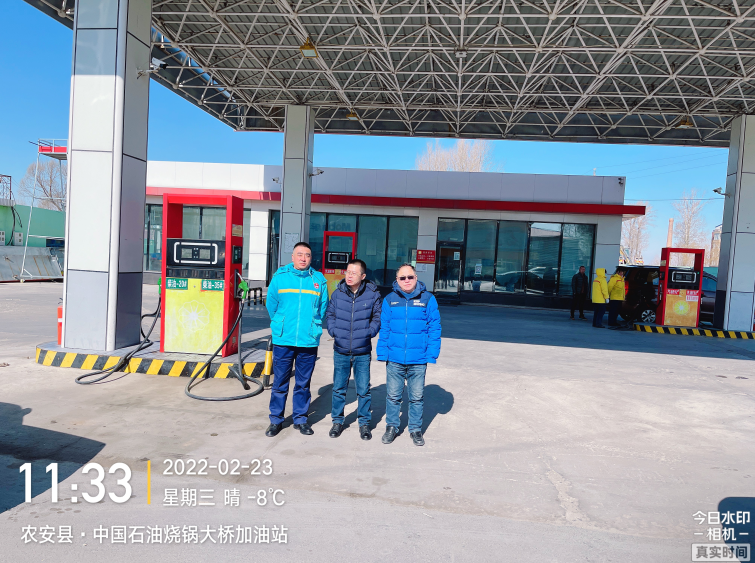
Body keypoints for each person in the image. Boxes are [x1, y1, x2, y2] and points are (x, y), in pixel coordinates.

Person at [264, 242, 328, 437]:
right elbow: (271, 305)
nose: (303, 258)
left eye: (307, 255)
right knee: (280, 382)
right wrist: (280, 323)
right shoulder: (280, 278)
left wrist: (313, 325)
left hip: (308, 340)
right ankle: (276, 420)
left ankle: (300, 419)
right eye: (299, 254)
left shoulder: (319, 280)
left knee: (303, 383)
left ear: (311, 258)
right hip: (284, 339)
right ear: (292, 257)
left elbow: (322, 308)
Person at [376, 264, 441, 447]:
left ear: (416, 278)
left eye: (410, 277)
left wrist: (432, 353)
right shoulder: (389, 300)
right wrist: (382, 353)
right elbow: (385, 328)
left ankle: (415, 429)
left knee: (416, 397)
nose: (406, 281)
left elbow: (434, 327)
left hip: (418, 359)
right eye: (402, 278)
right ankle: (391, 427)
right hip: (394, 358)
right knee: (393, 396)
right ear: (396, 280)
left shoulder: (428, 299)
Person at [325, 258, 382, 440]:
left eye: (354, 273)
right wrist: (334, 331)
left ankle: (364, 423)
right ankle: (337, 421)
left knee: (363, 389)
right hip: (340, 349)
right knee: (338, 388)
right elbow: (330, 314)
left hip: (362, 351)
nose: (349, 276)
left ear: (363, 276)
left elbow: (377, 317)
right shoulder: (338, 293)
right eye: (347, 272)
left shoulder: (372, 294)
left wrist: (369, 332)